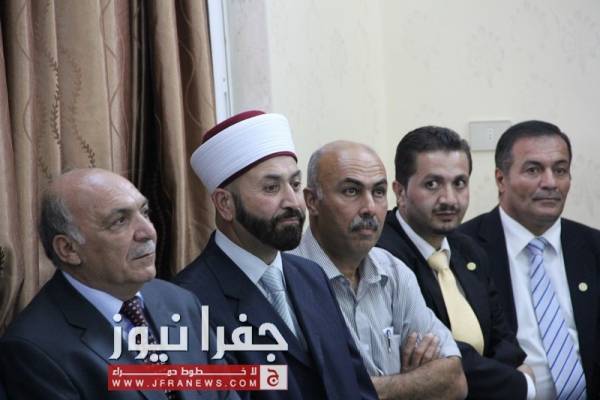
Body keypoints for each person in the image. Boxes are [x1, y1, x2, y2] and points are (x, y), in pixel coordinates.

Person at [174, 111, 377, 400]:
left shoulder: (311, 275)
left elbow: (356, 386)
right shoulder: (189, 301)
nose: (293, 202)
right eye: (271, 188)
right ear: (225, 203)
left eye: (294, 184)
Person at [0, 168, 237, 400]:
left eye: (145, 212)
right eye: (120, 221)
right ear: (69, 249)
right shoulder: (34, 349)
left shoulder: (180, 302)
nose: (148, 232)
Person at [290, 140, 468, 400]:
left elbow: (454, 380)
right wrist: (411, 384)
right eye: (351, 191)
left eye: (379, 192)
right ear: (312, 201)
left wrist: (359, 390)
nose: (369, 208)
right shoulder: (283, 280)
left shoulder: (394, 271)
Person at [377, 126, 537, 400]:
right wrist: (522, 385)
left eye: (459, 183)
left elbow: (504, 343)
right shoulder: (383, 256)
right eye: (432, 184)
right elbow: (443, 359)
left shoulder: (469, 250)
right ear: (400, 191)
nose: (449, 199)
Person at [460, 120, 600, 399]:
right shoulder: (462, 249)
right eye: (533, 170)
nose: (550, 183)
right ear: (501, 179)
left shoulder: (594, 247)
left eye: (560, 170)